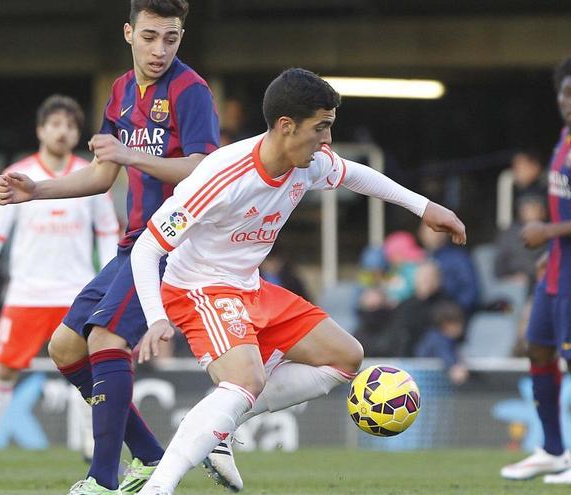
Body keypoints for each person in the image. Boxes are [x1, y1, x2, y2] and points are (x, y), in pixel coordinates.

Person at [128, 68, 466, 494]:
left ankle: (221, 424)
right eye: (320, 128)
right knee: (245, 381)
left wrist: (424, 207)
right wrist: (156, 317)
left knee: (346, 357)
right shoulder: (221, 177)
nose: (327, 141)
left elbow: (356, 174)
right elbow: (147, 248)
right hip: (199, 287)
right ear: (286, 126)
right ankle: (157, 488)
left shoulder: (308, 163)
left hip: (248, 285)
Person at [0, 1, 219, 492]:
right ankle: (150, 455)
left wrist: (130, 154)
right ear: (128, 33)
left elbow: (205, 168)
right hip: (135, 244)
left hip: (174, 244)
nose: (160, 49)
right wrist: (37, 189)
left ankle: (102, 479)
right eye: (151, 36)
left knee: (104, 340)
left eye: (172, 38)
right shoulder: (120, 91)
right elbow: (101, 173)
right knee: (65, 346)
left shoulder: (191, 90)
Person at [0, 94, 120, 476]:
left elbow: (108, 233)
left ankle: (92, 450)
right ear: (41, 129)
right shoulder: (17, 174)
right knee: (4, 370)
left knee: (89, 373)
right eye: (55, 124)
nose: (63, 132)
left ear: (78, 132)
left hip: (77, 294)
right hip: (26, 294)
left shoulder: (92, 176)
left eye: (70, 125)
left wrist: (111, 285)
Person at [501, 57, 571, 484]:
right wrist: (553, 248)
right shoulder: (564, 137)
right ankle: (552, 449)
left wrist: (549, 230)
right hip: (557, 269)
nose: (568, 101)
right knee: (538, 348)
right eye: (564, 92)